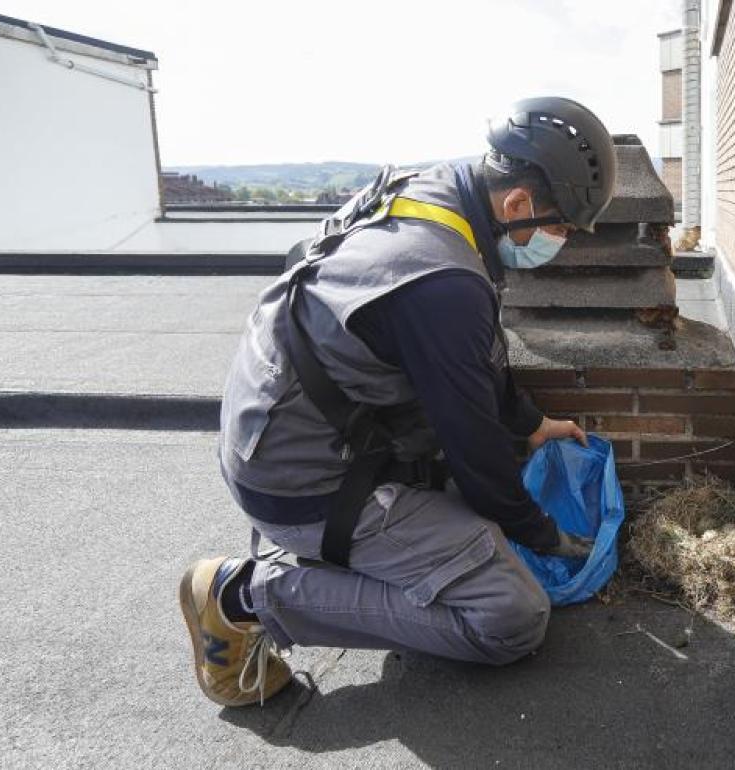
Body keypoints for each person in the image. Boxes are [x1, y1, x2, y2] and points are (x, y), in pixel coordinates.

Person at [178, 97, 619, 707]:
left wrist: (532, 422)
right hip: (306, 483)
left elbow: (466, 363)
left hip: (277, 432)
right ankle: (241, 596)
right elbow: (477, 453)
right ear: (518, 204)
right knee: (511, 614)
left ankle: (336, 560)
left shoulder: (433, 192)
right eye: (561, 227)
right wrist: (543, 535)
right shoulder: (444, 280)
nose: (560, 242)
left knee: (476, 521)